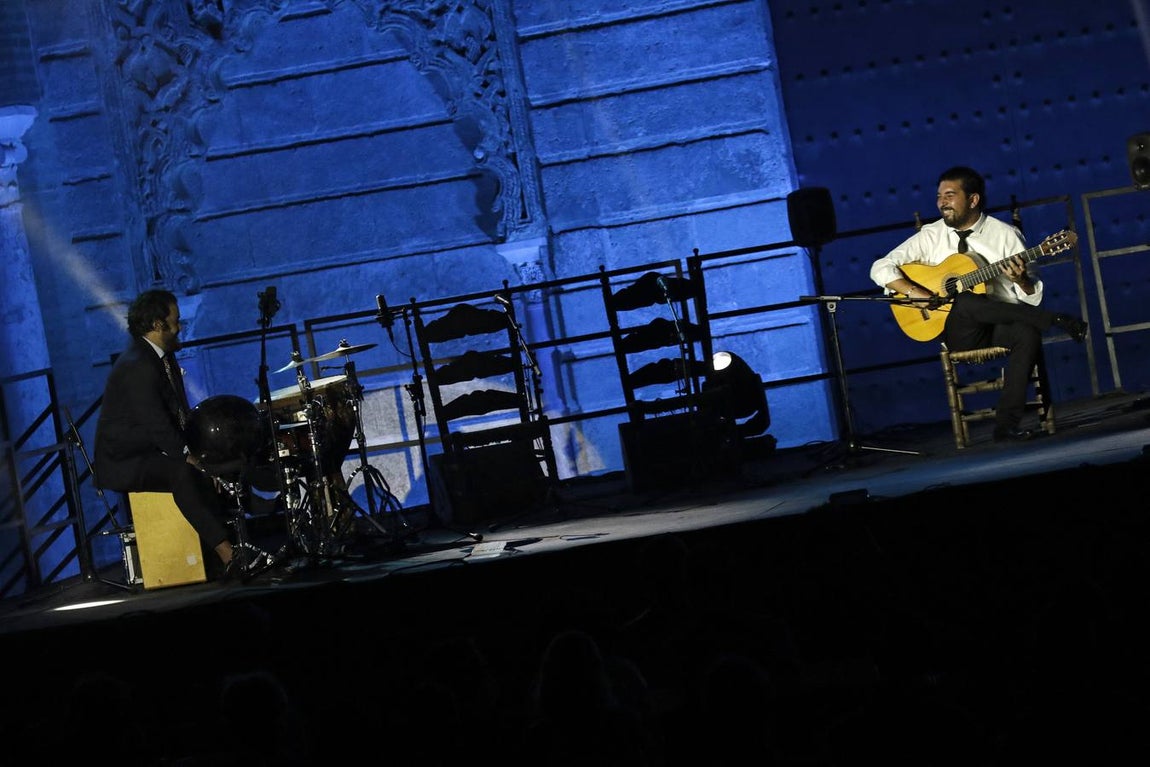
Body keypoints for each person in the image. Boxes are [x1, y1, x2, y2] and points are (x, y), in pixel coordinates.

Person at [870, 165, 1088, 442]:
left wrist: (1021, 280)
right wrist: (917, 292)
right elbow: (880, 267)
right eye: (939, 196)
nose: (941, 203)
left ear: (973, 200)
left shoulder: (1006, 235)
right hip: (959, 331)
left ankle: (1006, 426)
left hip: (997, 323)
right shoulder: (931, 235)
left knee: (1026, 333)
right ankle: (1055, 319)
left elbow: (1032, 297)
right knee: (965, 300)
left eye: (950, 195)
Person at [94, 289, 273, 578]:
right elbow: (155, 424)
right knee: (182, 472)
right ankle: (228, 554)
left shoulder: (163, 358)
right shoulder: (137, 365)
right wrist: (191, 458)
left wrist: (203, 450)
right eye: (175, 320)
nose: (180, 326)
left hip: (154, 448)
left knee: (215, 451)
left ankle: (257, 506)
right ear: (157, 324)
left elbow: (179, 414)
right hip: (126, 460)